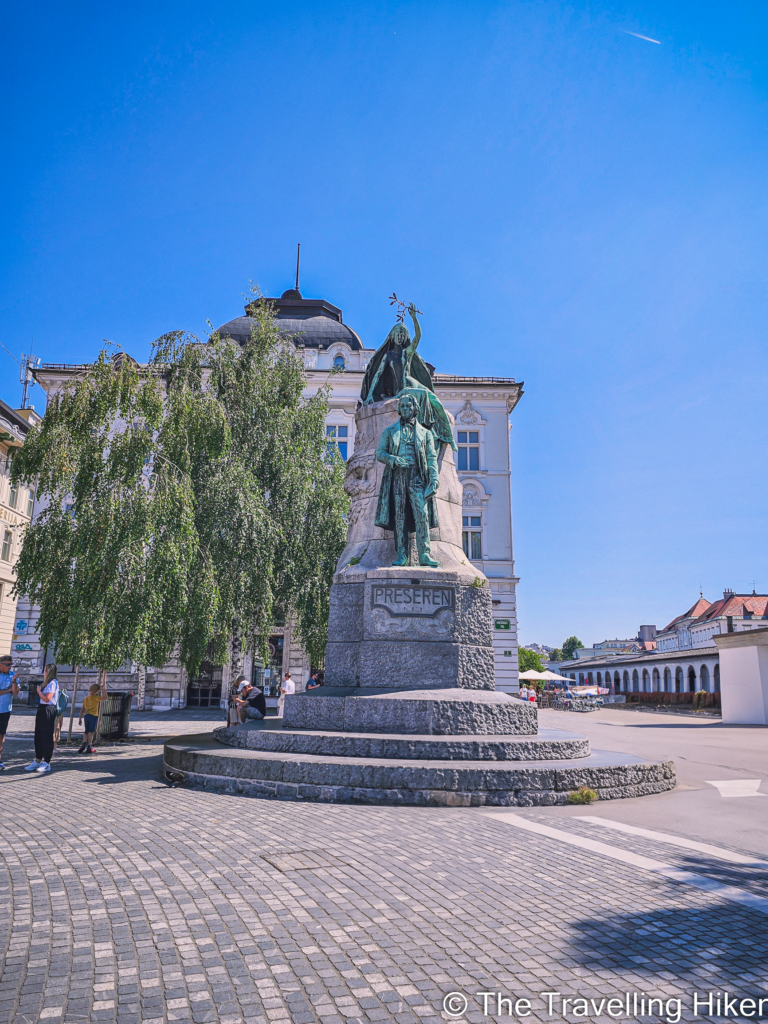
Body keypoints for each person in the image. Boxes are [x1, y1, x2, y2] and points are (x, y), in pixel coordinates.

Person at [25, 663, 60, 774]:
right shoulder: (47, 683)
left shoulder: (53, 683)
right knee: (38, 734)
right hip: (42, 709)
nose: (43, 672)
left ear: (48, 671)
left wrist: (39, 691)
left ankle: (47, 762)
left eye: (45, 670)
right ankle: (38, 759)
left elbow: (47, 698)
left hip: (48, 709)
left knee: (46, 734)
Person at [77, 676, 107, 754]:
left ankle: (83, 743)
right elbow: (105, 698)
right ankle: (89, 746)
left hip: (86, 716)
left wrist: (80, 719)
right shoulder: (96, 698)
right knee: (91, 732)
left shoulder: (86, 699)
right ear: (95, 691)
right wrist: (103, 690)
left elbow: (82, 709)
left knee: (86, 731)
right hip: (93, 716)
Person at [0, 655, 20, 770]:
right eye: (7, 664)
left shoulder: (13, 676)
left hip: (5, 710)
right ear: (1, 664)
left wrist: (13, 682)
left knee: (1, 735)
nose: (10, 666)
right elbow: (10, 691)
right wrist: (8, 690)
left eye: (11, 664)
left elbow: (16, 692)